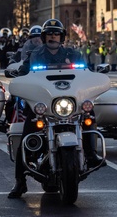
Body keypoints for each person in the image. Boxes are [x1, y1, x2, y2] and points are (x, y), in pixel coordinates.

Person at [9, 18, 94, 198]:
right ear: (44, 36)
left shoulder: (73, 54)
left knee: (89, 113)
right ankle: (20, 182)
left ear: (61, 36)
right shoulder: (35, 55)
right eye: (49, 34)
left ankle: (92, 151)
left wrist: (93, 75)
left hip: (68, 103)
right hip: (43, 105)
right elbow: (24, 71)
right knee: (26, 138)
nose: (53, 37)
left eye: (56, 33)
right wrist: (19, 74)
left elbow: (86, 74)